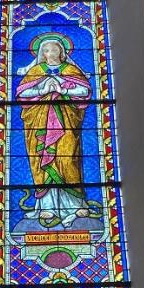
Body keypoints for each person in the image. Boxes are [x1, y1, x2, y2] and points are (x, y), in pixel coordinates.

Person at [16, 36, 92, 228]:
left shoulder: (71, 70)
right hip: (40, 124)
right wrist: (42, 89)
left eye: (54, 49)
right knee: (44, 160)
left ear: (62, 51)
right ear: (42, 53)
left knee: (68, 159)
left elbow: (84, 91)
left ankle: (76, 204)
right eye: (46, 50)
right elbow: (21, 93)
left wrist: (61, 89)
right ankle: (47, 206)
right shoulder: (35, 71)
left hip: (66, 122)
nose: (50, 53)